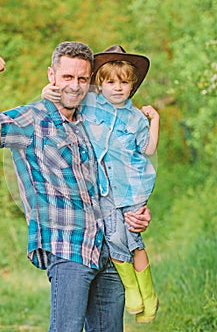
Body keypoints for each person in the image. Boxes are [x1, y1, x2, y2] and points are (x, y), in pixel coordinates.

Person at [0, 42, 152, 332]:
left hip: (109, 251)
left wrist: (136, 213)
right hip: (68, 248)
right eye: (67, 77)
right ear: (52, 76)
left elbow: (122, 176)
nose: (75, 85)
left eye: (82, 79)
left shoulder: (94, 121)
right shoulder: (31, 120)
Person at [42, 45, 159, 323]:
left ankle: (149, 294)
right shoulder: (90, 104)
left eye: (124, 83)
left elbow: (149, 149)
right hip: (104, 189)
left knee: (134, 237)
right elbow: (64, 99)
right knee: (117, 236)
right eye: (110, 82)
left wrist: (154, 119)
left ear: (132, 85)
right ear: (100, 83)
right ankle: (134, 290)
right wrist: (48, 93)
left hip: (133, 186)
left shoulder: (135, 118)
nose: (117, 88)